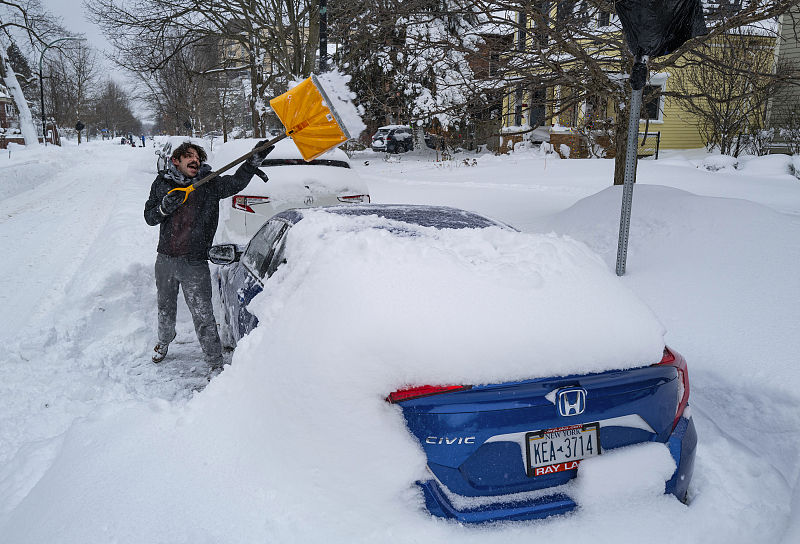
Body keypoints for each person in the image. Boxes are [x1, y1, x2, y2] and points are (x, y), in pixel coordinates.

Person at [144, 140, 273, 372]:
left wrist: (253, 160)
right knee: (165, 307)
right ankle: (164, 341)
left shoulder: (209, 183)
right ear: (176, 160)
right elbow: (150, 217)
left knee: (203, 315)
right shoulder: (162, 183)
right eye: (189, 156)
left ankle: (214, 364)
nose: (195, 160)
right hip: (165, 259)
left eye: (198, 158)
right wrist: (164, 207)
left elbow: (235, 183)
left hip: (195, 262)